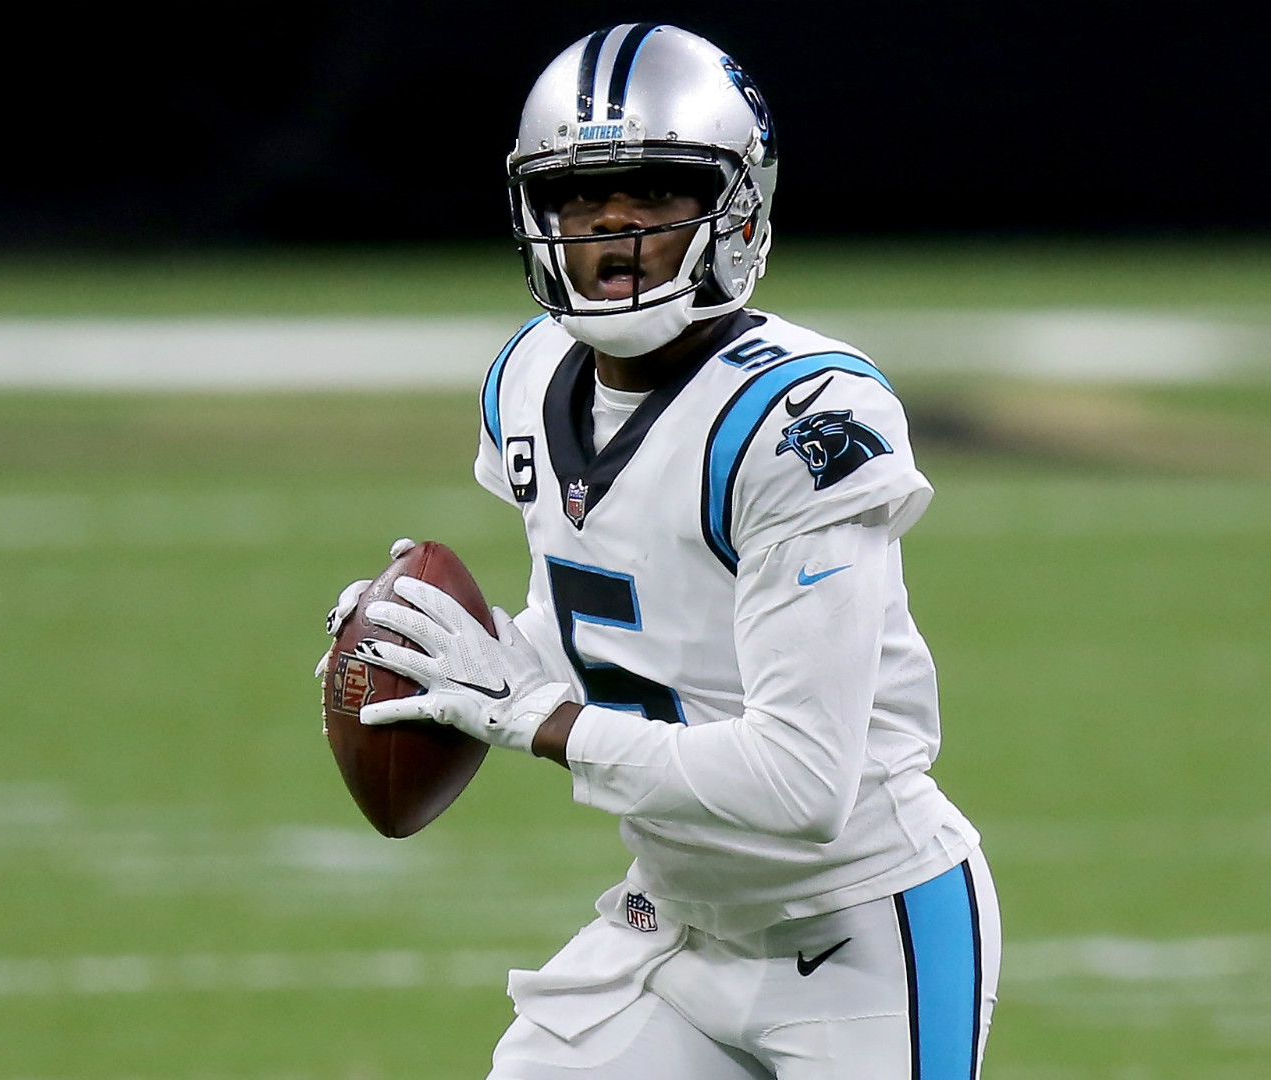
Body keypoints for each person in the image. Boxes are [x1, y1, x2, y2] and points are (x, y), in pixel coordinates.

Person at [322, 23, 1000, 1080]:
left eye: (654, 194)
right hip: (673, 921)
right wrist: (450, 657)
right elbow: (621, 642)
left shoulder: (800, 414)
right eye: (581, 200)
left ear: (733, 209)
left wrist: (538, 721)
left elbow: (800, 784)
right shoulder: (528, 383)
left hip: (863, 931)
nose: (615, 227)